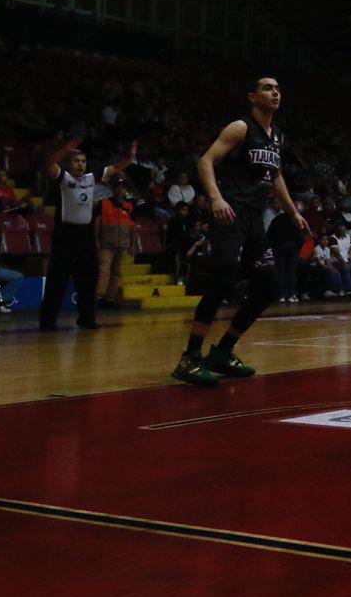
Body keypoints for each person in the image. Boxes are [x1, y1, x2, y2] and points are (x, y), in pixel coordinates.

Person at [171, 77, 309, 387]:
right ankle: (190, 357)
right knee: (224, 277)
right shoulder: (240, 128)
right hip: (231, 213)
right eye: (267, 88)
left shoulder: (276, 137)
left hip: (255, 220)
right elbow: (206, 160)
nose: (275, 92)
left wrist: (293, 212)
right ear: (252, 96)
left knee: (270, 286)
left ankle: (222, 351)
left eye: (278, 88)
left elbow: (275, 176)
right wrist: (216, 197)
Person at [40, 137, 137, 331]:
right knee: (57, 279)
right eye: (77, 161)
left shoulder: (92, 178)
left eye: (83, 161)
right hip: (65, 235)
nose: (81, 165)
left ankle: (86, 317)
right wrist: (65, 148)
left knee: (90, 277)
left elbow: (116, 168)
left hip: (85, 235)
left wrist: (130, 157)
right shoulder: (63, 178)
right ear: (68, 163)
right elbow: (48, 163)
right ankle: (48, 321)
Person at [97, 181, 136, 308]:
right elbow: (97, 223)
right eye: (118, 187)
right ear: (113, 190)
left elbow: (132, 227)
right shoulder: (104, 204)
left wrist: (132, 244)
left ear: (126, 191)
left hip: (123, 245)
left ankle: (111, 298)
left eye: (123, 188)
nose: (120, 190)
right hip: (106, 244)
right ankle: (98, 297)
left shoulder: (129, 206)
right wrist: (96, 241)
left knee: (117, 273)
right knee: (104, 271)